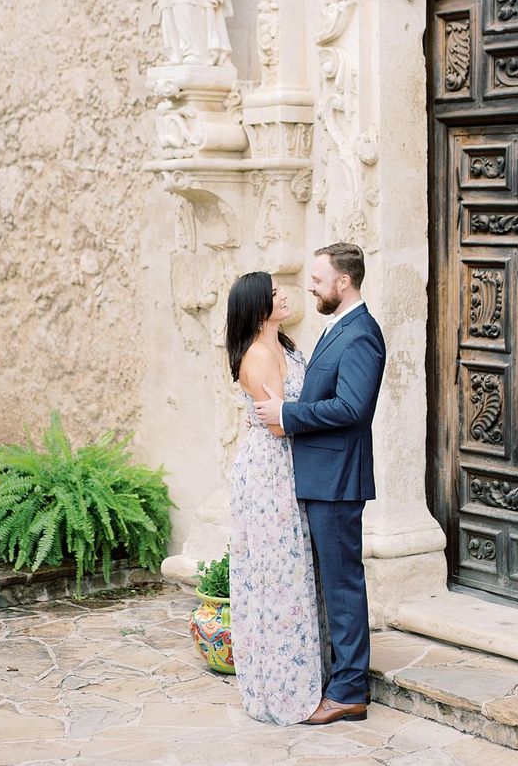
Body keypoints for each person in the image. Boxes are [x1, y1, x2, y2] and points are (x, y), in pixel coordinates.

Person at [254, 242, 386, 725]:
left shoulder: (362, 335)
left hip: (337, 482)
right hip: (322, 477)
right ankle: (338, 675)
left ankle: (350, 690)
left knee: (343, 584)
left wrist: (287, 414)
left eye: (316, 278)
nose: (308, 285)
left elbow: (354, 409)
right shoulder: (339, 327)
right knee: (332, 584)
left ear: (343, 282)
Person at [226, 271, 326, 726]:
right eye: (273, 293)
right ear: (256, 306)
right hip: (270, 470)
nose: (283, 294)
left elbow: (288, 411)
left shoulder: (283, 343)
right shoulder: (259, 355)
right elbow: (277, 425)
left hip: (288, 464)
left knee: (294, 568)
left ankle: (303, 674)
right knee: (277, 574)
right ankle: (283, 689)